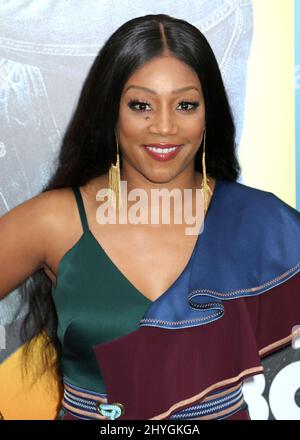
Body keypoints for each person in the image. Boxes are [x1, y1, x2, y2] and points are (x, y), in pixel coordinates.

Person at [0, 13, 299, 421]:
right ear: (111, 110)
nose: (164, 126)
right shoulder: (57, 221)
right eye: (141, 105)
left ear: (208, 112)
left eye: (185, 104)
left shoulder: (263, 222)